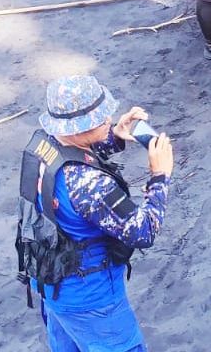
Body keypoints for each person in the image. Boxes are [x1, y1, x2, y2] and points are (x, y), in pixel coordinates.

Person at [17, 75, 173, 352]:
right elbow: (143, 230)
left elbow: (71, 154)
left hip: (51, 281)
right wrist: (159, 176)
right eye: (99, 120)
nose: (108, 119)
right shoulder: (91, 186)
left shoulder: (43, 144)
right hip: (92, 298)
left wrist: (112, 137)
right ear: (76, 128)